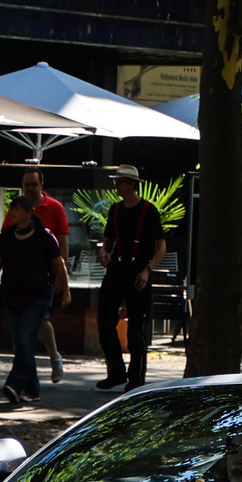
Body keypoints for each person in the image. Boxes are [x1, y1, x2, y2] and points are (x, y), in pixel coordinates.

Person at [0, 195, 67, 405]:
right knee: (21, 343)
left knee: (25, 339)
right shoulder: (6, 237)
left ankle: (14, 384)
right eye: (12, 209)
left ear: (29, 212)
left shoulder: (44, 236)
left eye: (18, 209)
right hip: (12, 295)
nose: (13, 213)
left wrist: (65, 288)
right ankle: (32, 389)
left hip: (37, 296)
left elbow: (59, 264)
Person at [93, 167, 164, 392]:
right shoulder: (115, 210)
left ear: (132, 184)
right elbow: (108, 242)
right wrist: (103, 252)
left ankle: (136, 378)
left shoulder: (148, 210)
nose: (117, 186)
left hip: (138, 272)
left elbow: (161, 245)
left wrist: (147, 270)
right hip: (117, 270)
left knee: (136, 328)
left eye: (121, 182)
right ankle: (116, 372)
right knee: (105, 320)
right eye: (116, 182)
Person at [16, 168, 70, 381]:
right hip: (19, 278)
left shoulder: (55, 208)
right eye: (26, 184)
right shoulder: (18, 207)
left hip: (44, 277)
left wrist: (61, 276)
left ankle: (53, 358)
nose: (30, 189)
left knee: (40, 318)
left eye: (34, 184)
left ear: (42, 185)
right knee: (25, 323)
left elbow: (63, 241)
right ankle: (28, 370)